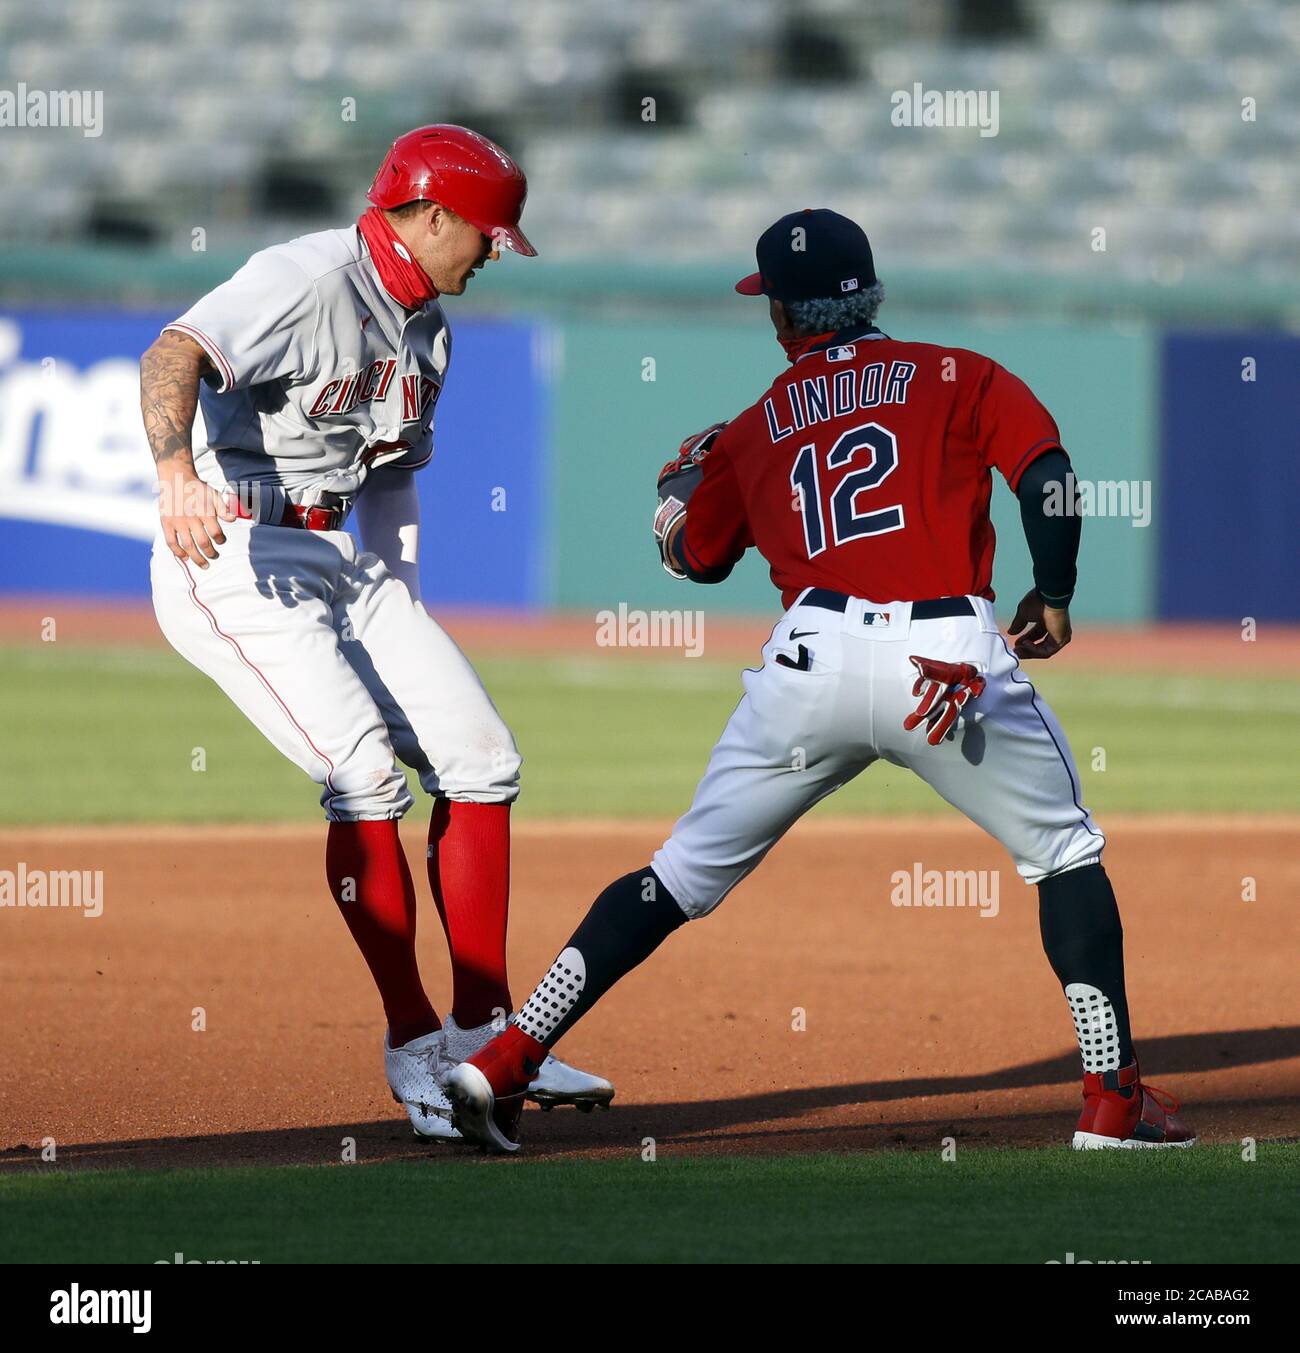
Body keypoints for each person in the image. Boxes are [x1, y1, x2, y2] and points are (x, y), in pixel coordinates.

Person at [442, 208, 1194, 1154]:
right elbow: (1047, 475)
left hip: (809, 663)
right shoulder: (959, 372)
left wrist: (680, 497)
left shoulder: (756, 428)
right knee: (1063, 857)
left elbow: (696, 559)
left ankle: (504, 1060)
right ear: (869, 292)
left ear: (783, 318)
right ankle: (1112, 1103)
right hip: (944, 663)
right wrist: (1055, 590)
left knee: (675, 877)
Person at [139, 125, 612, 1142]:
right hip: (233, 547)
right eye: (486, 235)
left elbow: (391, 470)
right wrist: (175, 474)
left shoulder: (429, 323)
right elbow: (173, 351)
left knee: (483, 757)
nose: (492, 253)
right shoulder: (304, 276)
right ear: (430, 214)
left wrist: (397, 602)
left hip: (341, 558)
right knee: (364, 780)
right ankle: (414, 1048)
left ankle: (488, 1034)